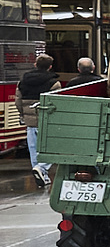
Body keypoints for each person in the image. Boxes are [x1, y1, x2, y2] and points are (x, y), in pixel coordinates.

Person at [16, 54, 60, 188]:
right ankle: (42, 168)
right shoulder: (54, 83)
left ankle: (41, 175)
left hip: (30, 121)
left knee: (33, 149)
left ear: (35, 64)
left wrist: (23, 114)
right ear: (50, 67)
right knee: (52, 148)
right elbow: (56, 103)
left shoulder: (22, 82)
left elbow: (18, 101)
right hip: (46, 120)